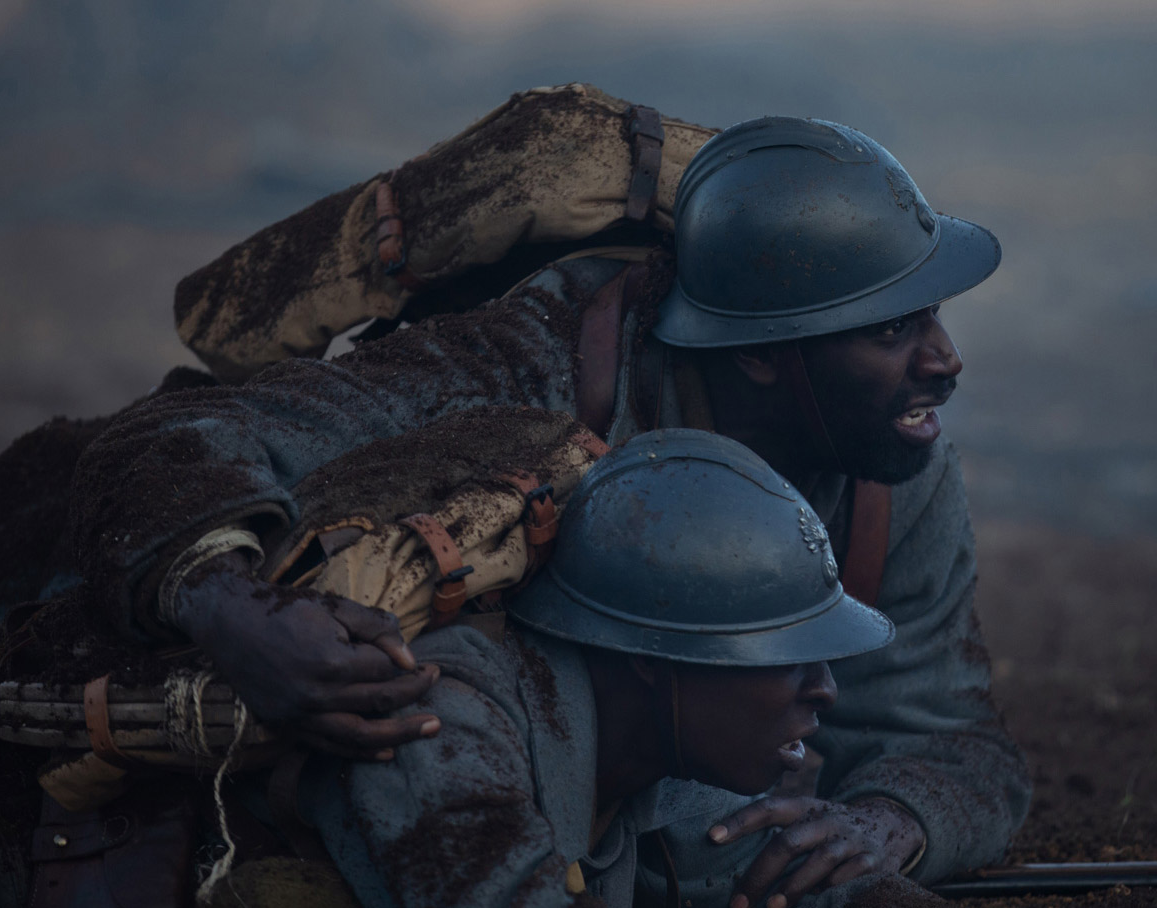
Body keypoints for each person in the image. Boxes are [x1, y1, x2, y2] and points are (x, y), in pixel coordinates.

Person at [67, 115, 1031, 902]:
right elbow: (164, 442)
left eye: (934, 316)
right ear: (761, 351)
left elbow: (946, 735)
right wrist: (241, 616)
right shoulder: (525, 371)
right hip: (401, 776)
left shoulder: (886, 467)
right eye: (894, 328)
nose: (944, 362)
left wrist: (886, 827)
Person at [217, 429, 904, 908]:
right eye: (787, 657)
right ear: (651, 655)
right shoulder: (441, 721)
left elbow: (796, 875)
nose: (825, 690)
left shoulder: (660, 754)